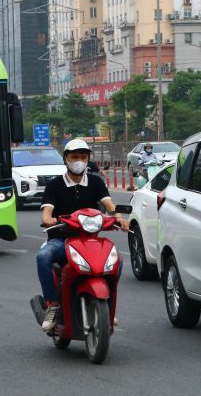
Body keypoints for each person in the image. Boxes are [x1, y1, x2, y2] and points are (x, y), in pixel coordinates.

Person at [37, 139, 129, 333]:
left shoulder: (96, 182)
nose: (79, 161)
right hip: (62, 240)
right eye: (74, 157)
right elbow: (47, 211)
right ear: (66, 159)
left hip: (91, 241)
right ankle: (53, 305)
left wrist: (119, 218)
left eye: (83, 157)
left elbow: (109, 206)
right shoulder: (54, 185)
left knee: (117, 261)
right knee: (43, 257)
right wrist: (48, 219)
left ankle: (107, 304)